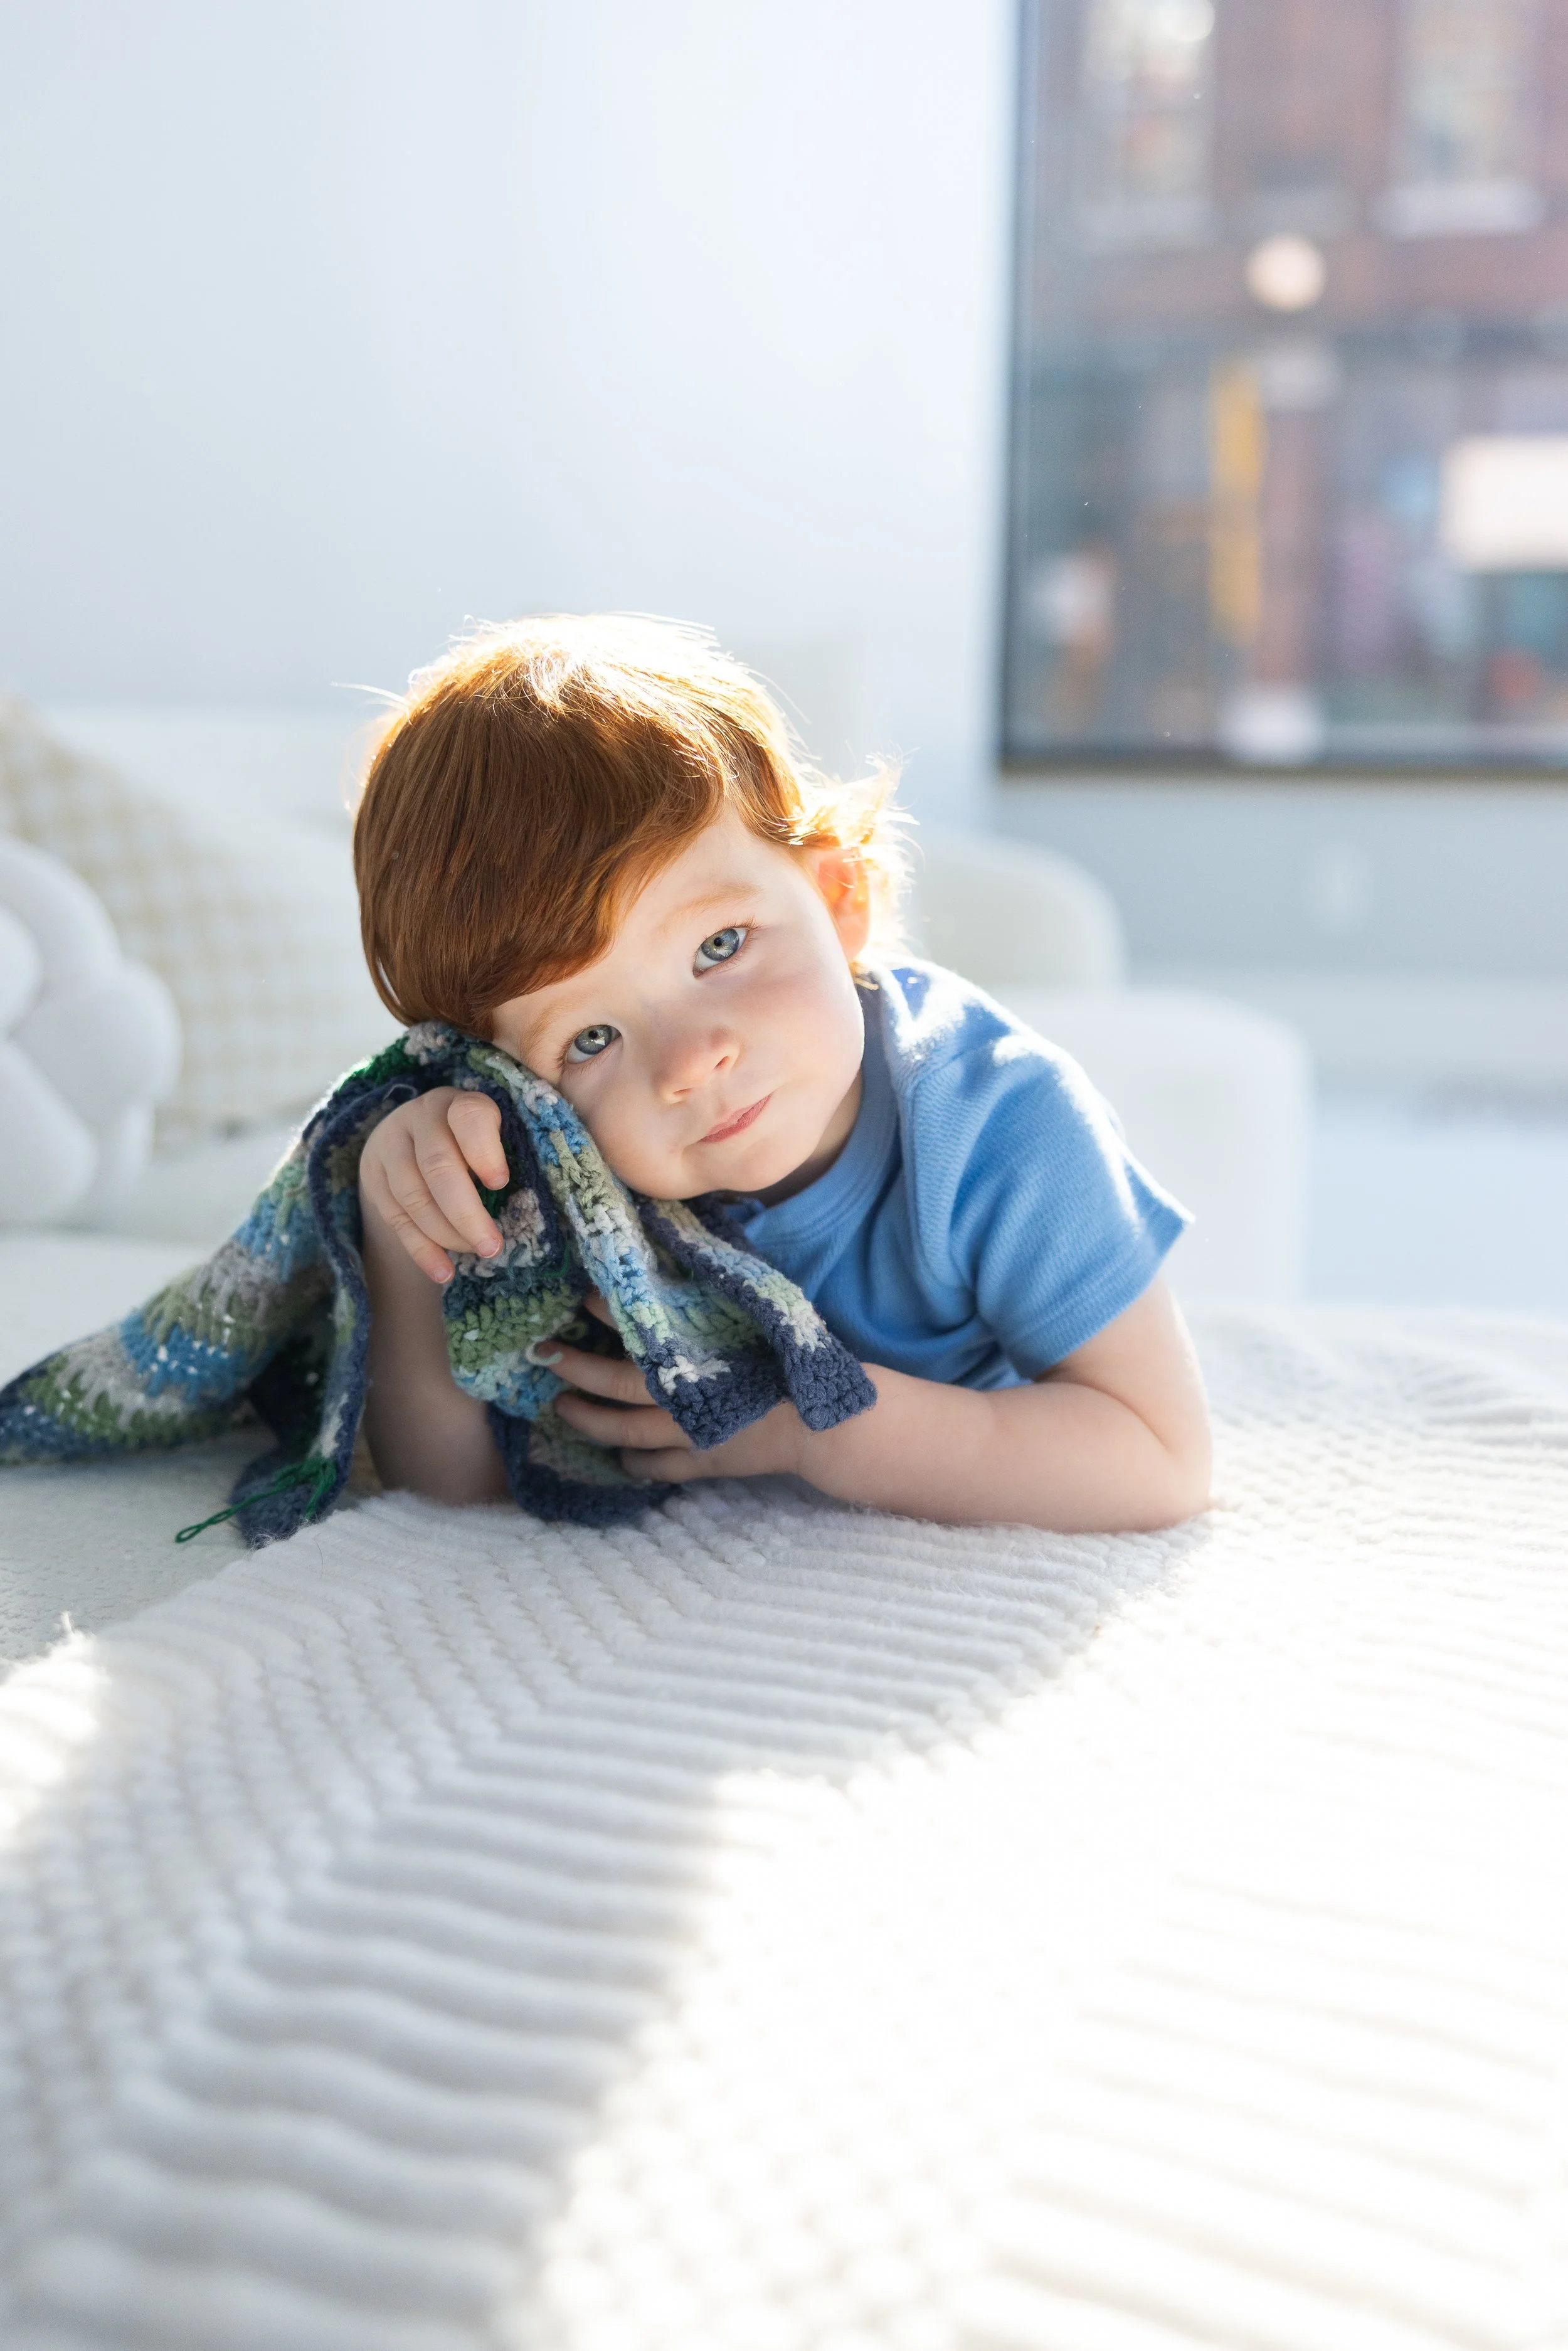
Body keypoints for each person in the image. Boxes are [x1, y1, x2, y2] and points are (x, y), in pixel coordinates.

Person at [351, 616, 1211, 1531]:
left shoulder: (1000, 1123)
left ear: (841, 900)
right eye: (591, 1039)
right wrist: (406, 1220)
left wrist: (821, 1431)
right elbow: (450, 1493)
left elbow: (1160, 1458)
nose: (690, 1063)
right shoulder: (556, 1164)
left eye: (719, 946)